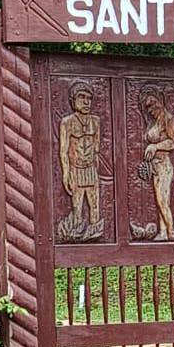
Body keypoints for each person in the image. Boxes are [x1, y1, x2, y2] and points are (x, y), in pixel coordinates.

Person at [58, 81, 102, 240]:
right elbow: (63, 150)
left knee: (94, 206)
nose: (86, 102)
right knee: (77, 208)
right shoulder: (67, 122)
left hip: (91, 170)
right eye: (81, 97)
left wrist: (95, 168)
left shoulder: (95, 121)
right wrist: (66, 174)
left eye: (89, 98)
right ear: (73, 100)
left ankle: (94, 234)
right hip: (75, 170)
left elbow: (96, 148)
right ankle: (77, 235)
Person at [141, 89, 174, 240]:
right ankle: (163, 232)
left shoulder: (168, 118)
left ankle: (172, 231)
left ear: (160, 101)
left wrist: (155, 146)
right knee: (159, 201)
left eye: (153, 104)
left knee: (162, 200)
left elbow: (172, 142)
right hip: (155, 166)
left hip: (164, 165)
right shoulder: (153, 122)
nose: (151, 109)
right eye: (148, 106)